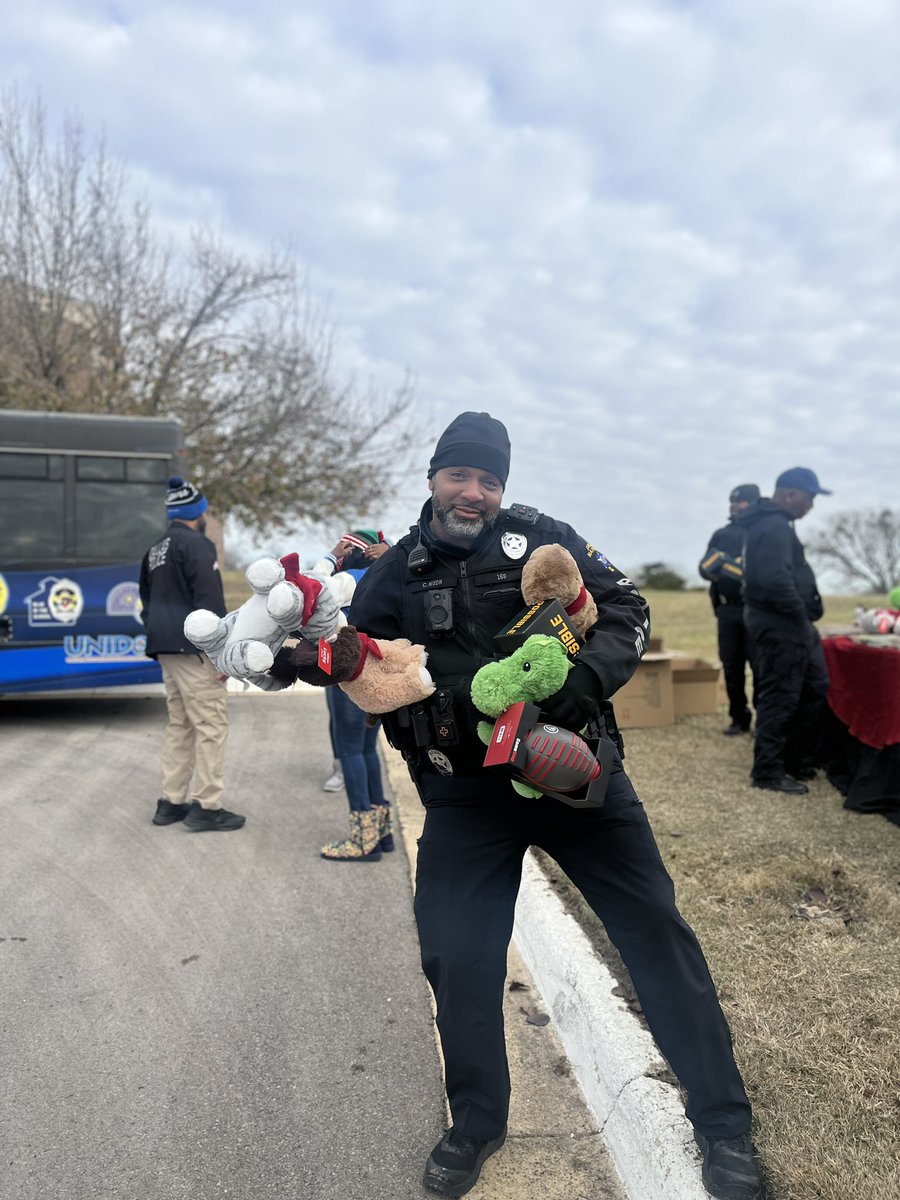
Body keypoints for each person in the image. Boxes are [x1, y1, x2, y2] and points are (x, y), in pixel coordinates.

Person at [348, 412, 763, 1200]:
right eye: (459, 475)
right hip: (467, 798)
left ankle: (723, 1123)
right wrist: (312, 654)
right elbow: (359, 663)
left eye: (489, 479)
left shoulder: (543, 536)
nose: (473, 493)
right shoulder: (395, 570)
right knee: (456, 958)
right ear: (433, 477)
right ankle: (476, 1123)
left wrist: (583, 682)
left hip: (576, 776)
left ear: (503, 487)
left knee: (656, 936)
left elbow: (629, 609)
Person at [139, 476, 245, 832]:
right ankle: (207, 806)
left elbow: (146, 603)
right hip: (195, 651)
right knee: (211, 726)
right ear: (196, 513)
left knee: (180, 725)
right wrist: (221, 655)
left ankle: (171, 802)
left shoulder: (155, 549)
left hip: (165, 650)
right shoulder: (197, 545)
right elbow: (209, 605)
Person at [737, 467, 832, 796]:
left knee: (813, 687)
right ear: (790, 494)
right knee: (781, 695)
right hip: (781, 625)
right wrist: (801, 617)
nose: (811, 505)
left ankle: (793, 758)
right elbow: (774, 581)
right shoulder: (773, 525)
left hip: (786, 623)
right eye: (810, 497)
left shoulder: (774, 523)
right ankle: (767, 771)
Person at [313, 530, 393, 860]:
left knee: (349, 751)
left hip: (347, 672)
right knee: (366, 750)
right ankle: (381, 829)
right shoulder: (385, 577)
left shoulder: (347, 579)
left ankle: (364, 839)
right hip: (375, 671)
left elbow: (310, 589)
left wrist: (330, 559)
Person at [699, 484, 760, 736]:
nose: (735, 506)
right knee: (731, 666)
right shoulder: (721, 534)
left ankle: (763, 721)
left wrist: (725, 564)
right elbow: (704, 569)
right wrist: (730, 566)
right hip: (727, 611)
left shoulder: (759, 533)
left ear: (754, 503)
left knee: (760, 668)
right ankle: (739, 717)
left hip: (755, 610)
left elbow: (751, 574)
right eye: (732, 502)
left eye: (741, 501)